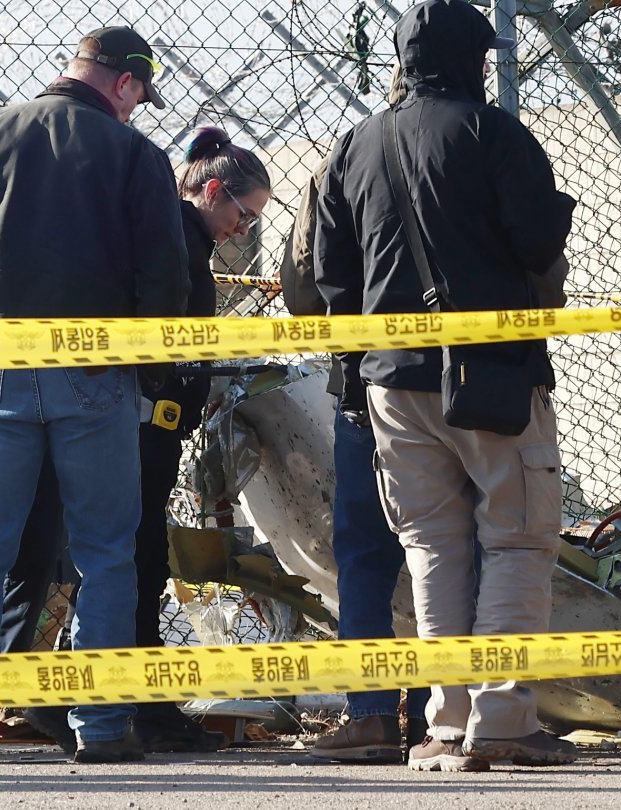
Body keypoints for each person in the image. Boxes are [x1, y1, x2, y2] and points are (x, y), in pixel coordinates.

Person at [315, 0, 577, 772]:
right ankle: (502, 719)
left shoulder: (353, 146)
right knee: (518, 536)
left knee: (432, 546)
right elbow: (535, 240)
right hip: (490, 371)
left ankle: (443, 725)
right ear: (477, 58)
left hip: (391, 377)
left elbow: (330, 276)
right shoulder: (493, 132)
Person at [0, 25, 188, 765]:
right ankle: (99, 729)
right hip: (96, 371)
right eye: (141, 97)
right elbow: (162, 274)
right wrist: (151, 368)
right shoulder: (135, 155)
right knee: (105, 553)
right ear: (126, 84)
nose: (139, 111)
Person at [27, 126, 272, 754]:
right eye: (242, 215)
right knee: (131, 559)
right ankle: (131, 701)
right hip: (139, 419)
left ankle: (131, 697)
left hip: (146, 416)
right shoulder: (172, 240)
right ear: (212, 191)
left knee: (128, 557)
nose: (242, 231)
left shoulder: (180, 238)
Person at [283, 66, 431, 765]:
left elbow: (302, 285)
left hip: (365, 384)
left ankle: (371, 713)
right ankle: (445, 713)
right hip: (466, 383)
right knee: (455, 547)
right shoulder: (485, 140)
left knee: (366, 554)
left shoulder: (343, 153)